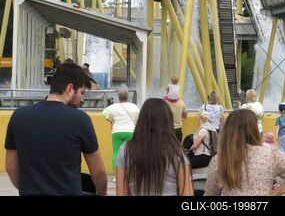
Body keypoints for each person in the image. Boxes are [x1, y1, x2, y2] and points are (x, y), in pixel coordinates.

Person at [4, 62, 108, 196]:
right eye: (82, 93)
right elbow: (98, 171)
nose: (82, 99)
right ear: (70, 89)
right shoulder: (80, 120)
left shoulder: (18, 116)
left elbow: (10, 167)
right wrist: (102, 192)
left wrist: (27, 190)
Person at [204, 109, 285, 196]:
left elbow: (210, 193)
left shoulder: (221, 158)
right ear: (255, 129)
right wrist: (277, 192)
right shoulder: (270, 153)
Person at [115, 98, 193, 196]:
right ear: (168, 121)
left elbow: (121, 192)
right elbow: (187, 193)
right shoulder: (177, 152)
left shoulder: (125, 150)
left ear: (141, 120)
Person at [101, 84, 140, 173]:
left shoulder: (113, 107)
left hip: (117, 132)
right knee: (130, 152)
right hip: (130, 131)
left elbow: (103, 113)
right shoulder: (134, 106)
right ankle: (130, 172)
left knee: (116, 152)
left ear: (118, 97)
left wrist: (111, 121)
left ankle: (116, 174)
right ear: (128, 96)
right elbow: (138, 117)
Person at [163, 75, 187, 142]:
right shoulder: (182, 103)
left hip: (167, 128)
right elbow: (185, 116)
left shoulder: (164, 103)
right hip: (178, 130)